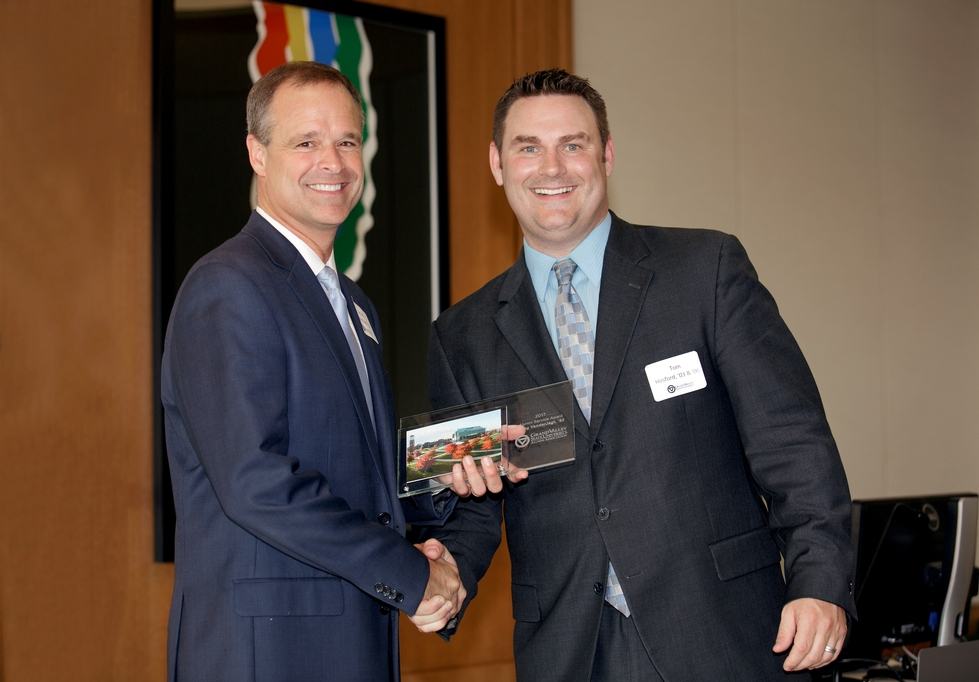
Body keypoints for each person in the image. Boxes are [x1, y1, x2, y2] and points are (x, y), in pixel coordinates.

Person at [424, 69, 855, 680]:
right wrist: (445, 572)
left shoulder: (704, 271)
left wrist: (819, 581)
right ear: (498, 163)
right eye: (528, 147)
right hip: (569, 650)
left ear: (606, 154)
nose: (552, 167)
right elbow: (471, 504)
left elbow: (791, 439)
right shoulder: (462, 335)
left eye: (573, 144)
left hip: (722, 634)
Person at [161, 61, 499, 682]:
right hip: (268, 654)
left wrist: (466, 461)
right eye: (306, 142)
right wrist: (410, 574)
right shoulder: (228, 285)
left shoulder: (353, 304)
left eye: (347, 141)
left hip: (350, 642)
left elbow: (362, 473)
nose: (333, 162)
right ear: (257, 154)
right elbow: (256, 481)